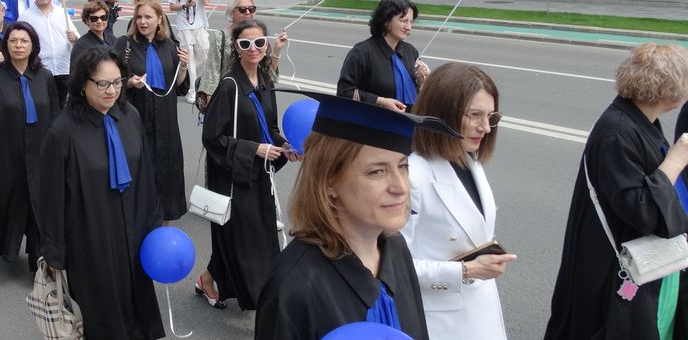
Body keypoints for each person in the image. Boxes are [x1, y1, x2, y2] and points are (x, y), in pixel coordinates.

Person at [255, 91, 462, 339]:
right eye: (377, 172)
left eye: (403, 166)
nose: (401, 187)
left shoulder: (396, 250)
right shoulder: (292, 288)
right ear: (329, 180)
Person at [545, 44, 688, 340]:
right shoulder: (617, 131)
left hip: (633, 264)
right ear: (667, 85)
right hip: (613, 269)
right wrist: (675, 161)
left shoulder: (639, 120)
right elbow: (643, 211)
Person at [39, 47, 164, 339]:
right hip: (90, 237)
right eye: (103, 84)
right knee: (102, 310)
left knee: (137, 301)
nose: (112, 90)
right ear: (83, 84)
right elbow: (50, 197)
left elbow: (145, 173)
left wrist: (152, 220)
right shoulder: (63, 132)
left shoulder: (130, 115)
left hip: (133, 227)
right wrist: (55, 250)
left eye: (117, 82)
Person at [400, 63, 515, 339]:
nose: (485, 127)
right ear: (443, 113)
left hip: (481, 314)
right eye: (475, 115)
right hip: (440, 321)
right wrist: (465, 270)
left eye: (491, 116)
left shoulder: (470, 161)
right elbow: (394, 264)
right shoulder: (413, 175)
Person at [199, 19, 300, 310]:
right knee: (243, 239)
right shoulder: (228, 86)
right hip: (234, 174)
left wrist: (284, 146)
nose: (253, 48)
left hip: (258, 173)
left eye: (259, 42)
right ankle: (262, 299)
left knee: (252, 235)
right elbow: (212, 137)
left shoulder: (266, 82)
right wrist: (255, 149)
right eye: (245, 43)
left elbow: (270, 127)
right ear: (237, 48)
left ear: (266, 45)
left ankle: (209, 278)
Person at [0, 22, 58, 269]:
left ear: (33, 45)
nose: (19, 45)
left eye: (24, 41)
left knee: (40, 207)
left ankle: (39, 259)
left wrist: (59, 152)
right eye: (13, 41)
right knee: (11, 205)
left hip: (40, 155)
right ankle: (10, 248)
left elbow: (54, 117)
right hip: (7, 154)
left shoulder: (45, 77)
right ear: (6, 45)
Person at [114, 0, 191, 221]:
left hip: (166, 123)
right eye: (139, 17)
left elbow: (179, 86)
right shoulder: (125, 45)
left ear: (159, 19)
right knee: (140, 175)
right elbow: (112, 79)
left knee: (166, 177)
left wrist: (184, 66)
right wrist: (129, 83)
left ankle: (163, 226)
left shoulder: (169, 46)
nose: (142, 22)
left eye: (148, 17)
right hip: (137, 121)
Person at [336, 0, 429, 112]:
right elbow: (344, 92)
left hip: (408, 120)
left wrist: (422, 82)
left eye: (411, 22)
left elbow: (417, 95)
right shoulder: (362, 52)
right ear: (386, 21)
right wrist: (380, 101)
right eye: (403, 21)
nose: (408, 27)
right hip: (373, 119)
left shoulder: (411, 51)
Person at [197, 0, 287, 110]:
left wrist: (277, 49)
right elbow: (211, 77)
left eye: (251, 9)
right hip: (228, 98)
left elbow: (269, 76)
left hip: (253, 99)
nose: (248, 13)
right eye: (242, 9)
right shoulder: (221, 37)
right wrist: (214, 111)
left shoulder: (257, 35)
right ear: (231, 13)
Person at [20, 0, 77, 108]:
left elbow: (75, 36)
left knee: (62, 105)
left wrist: (74, 38)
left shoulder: (61, 13)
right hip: (41, 70)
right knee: (44, 105)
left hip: (63, 69)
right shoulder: (26, 17)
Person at [168, 0, 212, 104]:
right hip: (184, 26)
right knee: (190, 59)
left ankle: (199, 85)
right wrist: (184, 5)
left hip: (200, 25)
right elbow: (171, 5)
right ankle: (192, 91)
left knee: (204, 53)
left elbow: (206, 2)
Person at [71, 0, 115, 66]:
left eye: (103, 17)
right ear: (87, 21)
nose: (99, 21)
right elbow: (75, 70)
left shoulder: (113, 40)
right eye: (94, 18)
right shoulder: (80, 46)